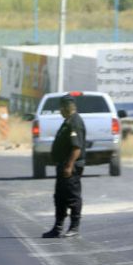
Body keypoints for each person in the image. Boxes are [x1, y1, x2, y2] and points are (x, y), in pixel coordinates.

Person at [42, 95, 87, 239]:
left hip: (71, 167)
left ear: (66, 108)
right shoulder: (67, 121)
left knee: (72, 197)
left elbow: (76, 148)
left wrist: (69, 166)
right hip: (63, 165)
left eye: (61, 108)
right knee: (60, 197)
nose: (59, 111)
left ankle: (74, 227)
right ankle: (58, 227)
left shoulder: (75, 122)